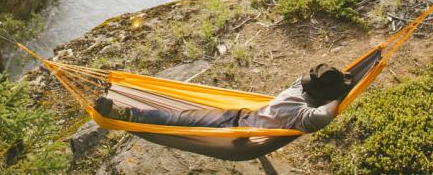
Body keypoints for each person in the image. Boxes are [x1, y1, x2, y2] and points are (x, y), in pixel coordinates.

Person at [94, 64, 352, 133]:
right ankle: (125, 106)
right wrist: (340, 94)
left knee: (179, 120)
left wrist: (336, 89)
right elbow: (325, 113)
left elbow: (323, 111)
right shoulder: (303, 105)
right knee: (181, 116)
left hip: (236, 125)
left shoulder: (300, 96)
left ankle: (124, 111)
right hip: (237, 120)